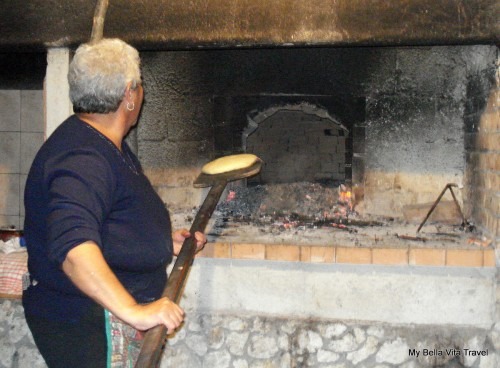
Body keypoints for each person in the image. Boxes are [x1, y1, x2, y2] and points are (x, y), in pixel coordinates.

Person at [22, 38, 206, 368]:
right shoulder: (82, 157)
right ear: (129, 96)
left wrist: (159, 243)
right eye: (140, 86)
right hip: (88, 323)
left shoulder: (100, 140)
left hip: (95, 317)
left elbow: (107, 218)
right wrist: (133, 311)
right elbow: (74, 250)